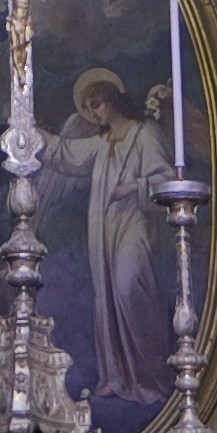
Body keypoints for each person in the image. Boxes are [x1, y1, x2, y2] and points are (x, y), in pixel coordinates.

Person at [50, 66, 170, 405]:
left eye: (98, 103)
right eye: (89, 107)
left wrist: (134, 187)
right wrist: (32, 134)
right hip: (104, 229)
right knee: (107, 296)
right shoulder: (101, 144)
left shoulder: (144, 134)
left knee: (130, 287)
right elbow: (66, 154)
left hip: (135, 223)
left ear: (112, 100)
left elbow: (165, 180)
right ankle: (117, 375)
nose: (94, 112)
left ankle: (151, 374)